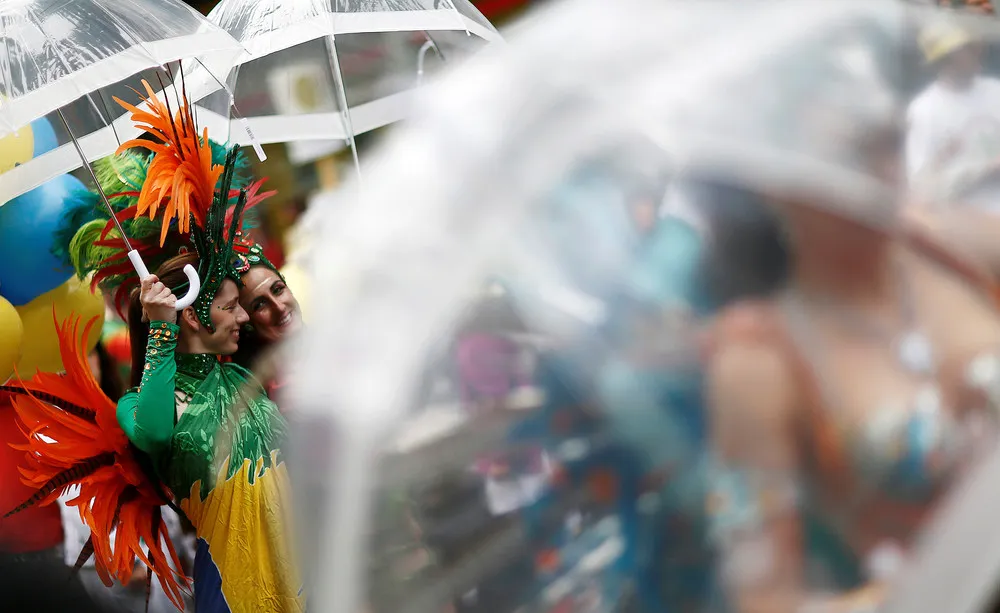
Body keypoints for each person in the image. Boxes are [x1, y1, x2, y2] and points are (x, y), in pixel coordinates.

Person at [906, 21, 1000, 204]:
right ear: (945, 60)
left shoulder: (996, 90)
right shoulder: (924, 110)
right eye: (967, 50)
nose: (976, 54)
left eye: (974, 48)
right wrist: (981, 170)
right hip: (961, 220)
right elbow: (919, 187)